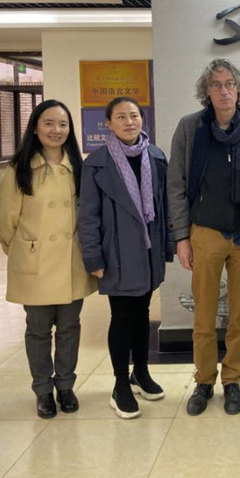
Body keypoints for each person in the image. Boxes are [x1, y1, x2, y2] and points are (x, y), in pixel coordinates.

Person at [168, 59, 240, 416]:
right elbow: (176, 184)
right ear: (206, 91)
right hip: (205, 232)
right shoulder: (190, 128)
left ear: (239, 89)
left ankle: (233, 381)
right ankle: (204, 380)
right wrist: (181, 237)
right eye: (216, 85)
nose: (224, 90)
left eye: (229, 84)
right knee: (204, 314)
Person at [0, 100, 97, 419]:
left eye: (63, 124)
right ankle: (42, 389)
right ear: (35, 128)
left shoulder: (79, 167)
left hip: (71, 262)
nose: (56, 130)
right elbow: (4, 221)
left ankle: (65, 386)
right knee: (37, 330)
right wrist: (24, 250)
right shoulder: (19, 169)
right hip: (35, 264)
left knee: (69, 327)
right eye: (49, 123)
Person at [78, 97, 173, 419]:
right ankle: (120, 384)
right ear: (108, 123)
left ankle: (140, 373)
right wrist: (93, 257)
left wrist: (167, 246)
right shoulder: (97, 162)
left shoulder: (155, 156)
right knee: (121, 316)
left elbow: (164, 207)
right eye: (121, 116)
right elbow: (88, 215)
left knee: (142, 313)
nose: (129, 122)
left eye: (134, 115)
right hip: (116, 252)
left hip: (148, 251)